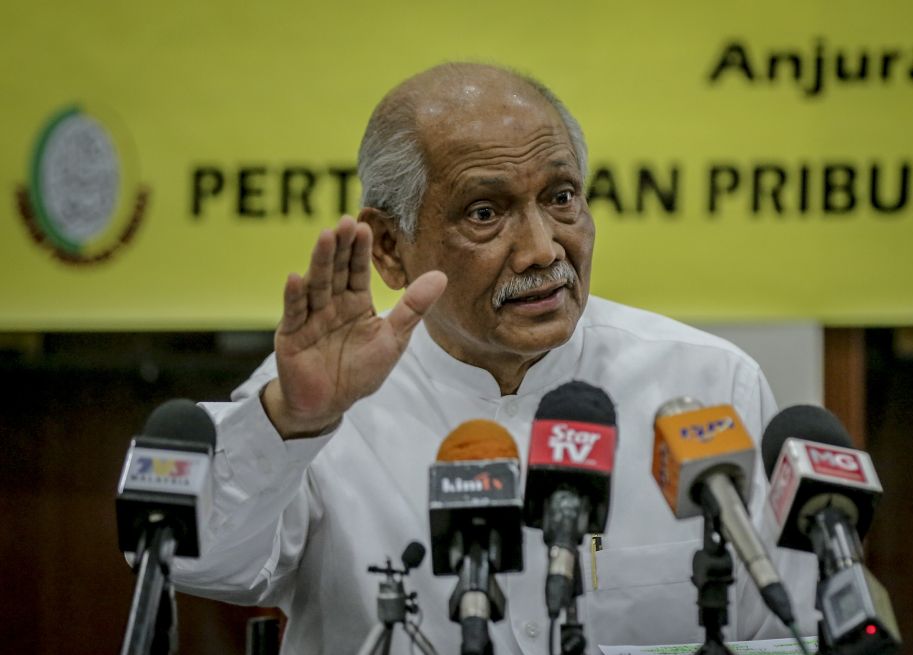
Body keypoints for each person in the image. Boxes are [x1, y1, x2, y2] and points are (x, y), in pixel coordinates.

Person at [173, 62, 816, 654]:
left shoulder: (707, 385)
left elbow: (792, 626)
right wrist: (294, 421)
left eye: (562, 198)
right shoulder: (315, 400)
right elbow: (196, 560)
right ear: (392, 248)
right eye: (486, 212)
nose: (543, 249)